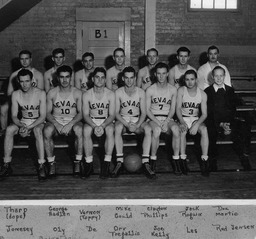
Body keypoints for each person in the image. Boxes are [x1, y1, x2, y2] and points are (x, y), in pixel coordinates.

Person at [0, 69, 47, 180]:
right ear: (18, 81)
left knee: (37, 131)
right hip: (24, 121)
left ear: (32, 81)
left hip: (38, 121)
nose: (24, 84)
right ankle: (6, 164)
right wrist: (22, 126)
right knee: (10, 129)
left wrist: (28, 127)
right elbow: (14, 116)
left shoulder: (41, 93)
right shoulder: (16, 94)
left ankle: (41, 164)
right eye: (21, 81)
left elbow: (43, 116)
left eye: (27, 81)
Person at [205, 66, 251, 171]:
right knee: (210, 130)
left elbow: (233, 110)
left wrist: (228, 124)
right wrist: (221, 125)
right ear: (212, 76)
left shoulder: (230, 90)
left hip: (229, 121)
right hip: (215, 122)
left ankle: (244, 157)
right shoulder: (207, 91)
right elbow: (209, 113)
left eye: (221, 75)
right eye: (216, 75)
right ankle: (212, 160)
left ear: (224, 76)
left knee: (244, 127)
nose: (219, 78)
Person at [112, 66, 155, 179]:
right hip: (123, 119)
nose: (129, 80)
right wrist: (127, 125)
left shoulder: (141, 92)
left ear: (135, 78)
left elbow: (144, 113)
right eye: (126, 78)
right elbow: (116, 113)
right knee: (117, 128)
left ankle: (146, 162)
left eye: (131, 78)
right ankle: (119, 162)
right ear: (122, 78)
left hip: (137, 119)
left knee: (148, 129)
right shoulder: (118, 92)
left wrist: (137, 125)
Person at [43, 65, 83, 178]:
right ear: (57, 78)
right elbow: (47, 113)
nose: (64, 80)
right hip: (56, 122)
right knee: (47, 131)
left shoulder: (77, 93)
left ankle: (78, 162)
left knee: (80, 130)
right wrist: (57, 124)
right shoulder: (51, 93)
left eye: (67, 77)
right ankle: (51, 163)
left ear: (71, 77)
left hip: (72, 122)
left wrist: (70, 124)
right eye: (62, 77)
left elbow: (81, 113)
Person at [146, 62, 181, 176]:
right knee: (156, 131)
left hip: (167, 118)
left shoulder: (173, 89)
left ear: (167, 74)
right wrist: (158, 122)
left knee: (176, 129)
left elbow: (172, 109)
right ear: (155, 74)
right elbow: (147, 110)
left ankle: (176, 160)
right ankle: (153, 160)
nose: (161, 76)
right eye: (159, 74)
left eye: (164, 73)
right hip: (153, 119)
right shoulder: (150, 89)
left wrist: (166, 122)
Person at [82, 67, 115, 179]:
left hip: (105, 120)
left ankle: (106, 163)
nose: (100, 80)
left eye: (102, 78)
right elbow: (85, 115)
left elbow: (112, 115)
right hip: (92, 120)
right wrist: (94, 126)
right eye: (97, 77)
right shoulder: (86, 94)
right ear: (92, 79)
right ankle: (89, 163)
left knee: (110, 130)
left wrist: (103, 125)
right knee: (86, 130)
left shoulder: (110, 94)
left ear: (105, 80)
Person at [176, 69, 209, 176]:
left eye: (192, 79)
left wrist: (197, 124)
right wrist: (181, 122)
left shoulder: (202, 94)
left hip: (195, 118)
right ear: (184, 80)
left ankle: (204, 160)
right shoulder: (181, 90)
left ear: (196, 80)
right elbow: (177, 109)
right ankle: (183, 159)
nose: (190, 82)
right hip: (183, 117)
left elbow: (204, 114)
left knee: (204, 130)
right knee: (182, 131)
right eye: (187, 79)